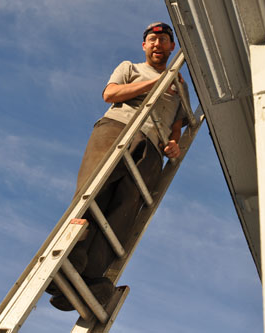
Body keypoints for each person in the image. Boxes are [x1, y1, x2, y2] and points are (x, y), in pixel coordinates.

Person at [48, 22, 187, 311]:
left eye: (163, 40)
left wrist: (174, 145)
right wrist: (156, 83)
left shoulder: (180, 87)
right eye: (152, 39)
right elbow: (110, 95)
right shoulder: (130, 67)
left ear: (172, 47)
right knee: (94, 190)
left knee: (124, 211)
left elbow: (176, 125)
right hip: (118, 129)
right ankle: (68, 257)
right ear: (144, 46)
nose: (157, 44)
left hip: (151, 147)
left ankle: (90, 277)